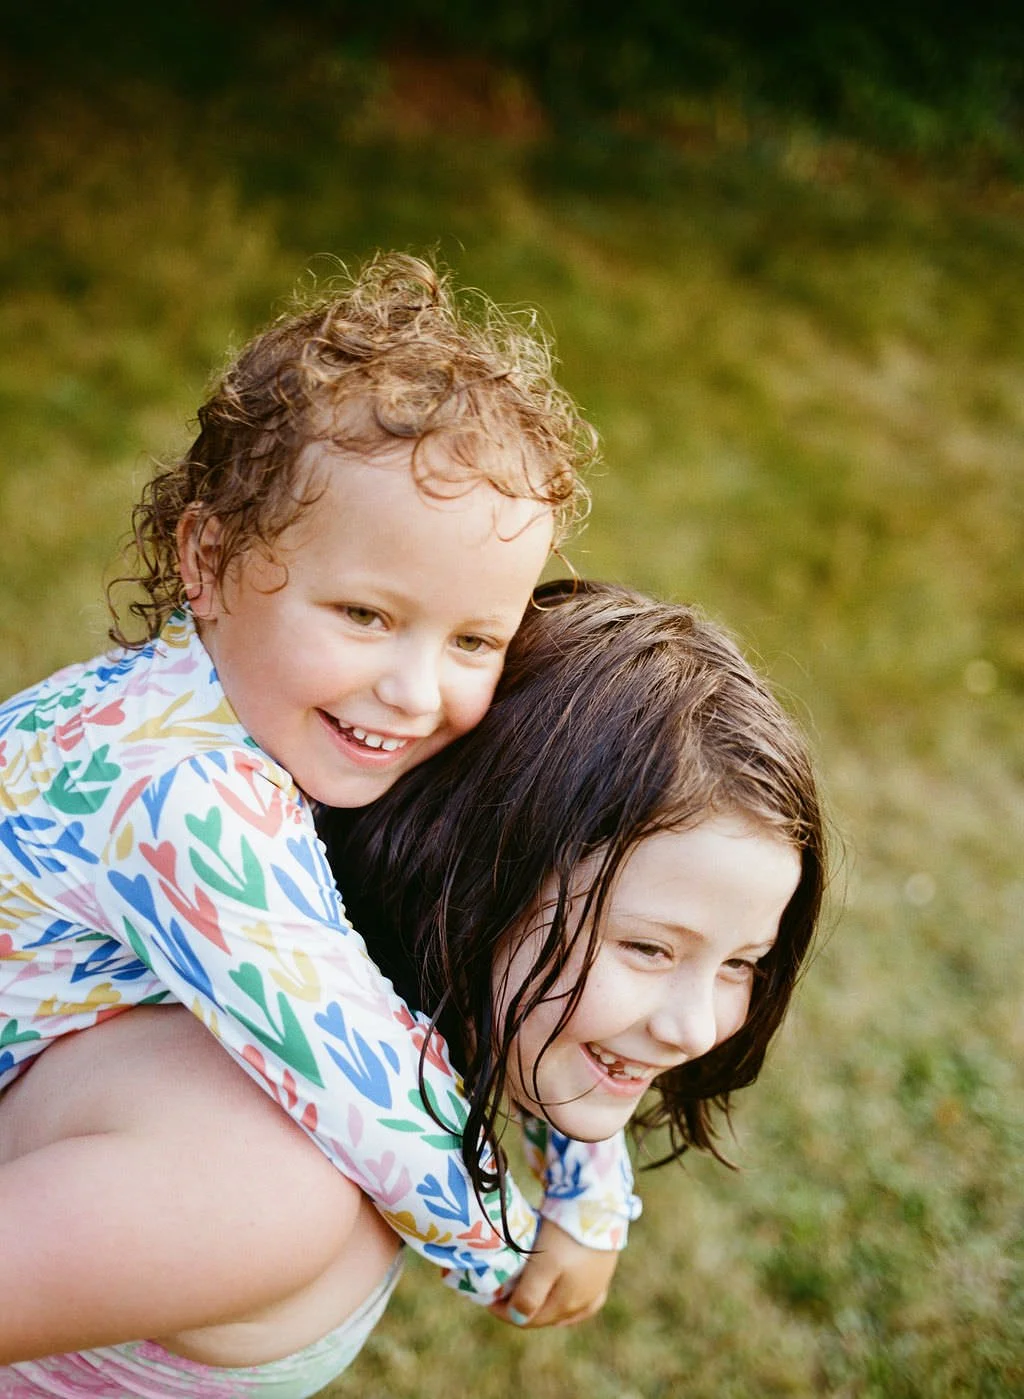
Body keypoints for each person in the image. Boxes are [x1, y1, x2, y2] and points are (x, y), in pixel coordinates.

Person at [0, 252, 638, 1336]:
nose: (414, 689)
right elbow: (355, 1074)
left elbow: (505, 943)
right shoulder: (183, 792)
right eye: (364, 614)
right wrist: (517, 1244)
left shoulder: (301, 722)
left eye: (474, 638)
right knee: (287, 1188)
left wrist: (587, 1173)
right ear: (207, 557)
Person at [0, 581, 826, 1396]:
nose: (690, 1026)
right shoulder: (258, 1166)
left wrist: (587, 1191)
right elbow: (380, 1102)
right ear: (467, 871)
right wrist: (509, 1256)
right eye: (648, 948)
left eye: (739, 962)